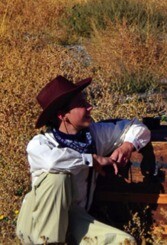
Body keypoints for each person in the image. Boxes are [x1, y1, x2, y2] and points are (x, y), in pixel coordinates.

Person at [15, 75, 151, 244]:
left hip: (75, 218)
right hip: (38, 222)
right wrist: (91, 159)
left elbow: (137, 127)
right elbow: (52, 163)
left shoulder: (93, 135)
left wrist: (127, 146)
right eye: (81, 104)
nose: (90, 107)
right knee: (58, 177)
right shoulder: (41, 144)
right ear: (62, 115)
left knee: (125, 242)